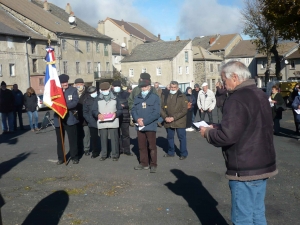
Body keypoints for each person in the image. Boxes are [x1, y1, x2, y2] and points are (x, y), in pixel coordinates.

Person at [200, 61, 277, 225]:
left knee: (242, 218)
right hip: (262, 163)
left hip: (245, 167)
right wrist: (220, 126)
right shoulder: (259, 94)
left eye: (223, 79)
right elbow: (251, 125)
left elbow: (227, 136)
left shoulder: (237, 99)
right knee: (257, 214)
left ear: (234, 77)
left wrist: (208, 132)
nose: (222, 84)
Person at [132, 74, 160, 172]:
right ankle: (144, 163)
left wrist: (145, 121)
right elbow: (133, 110)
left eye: (145, 87)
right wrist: (137, 119)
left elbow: (156, 113)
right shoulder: (137, 97)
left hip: (150, 125)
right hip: (139, 126)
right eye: (142, 87)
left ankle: (153, 164)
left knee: (152, 146)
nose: (143, 89)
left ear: (149, 87)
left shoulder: (155, 97)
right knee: (141, 146)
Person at [92, 82, 122, 161]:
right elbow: (94, 110)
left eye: (106, 89)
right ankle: (104, 155)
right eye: (103, 89)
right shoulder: (97, 98)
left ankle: (115, 155)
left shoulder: (115, 98)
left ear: (109, 89)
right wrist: (98, 114)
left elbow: (120, 109)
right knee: (103, 139)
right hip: (102, 122)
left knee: (114, 139)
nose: (105, 90)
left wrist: (116, 114)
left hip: (113, 121)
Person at [54, 74, 80, 165]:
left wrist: (63, 107)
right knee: (60, 140)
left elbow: (75, 102)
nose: (65, 84)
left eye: (66, 82)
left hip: (70, 118)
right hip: (58, 118)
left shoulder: (73, 90)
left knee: (72, 139)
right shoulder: (55, 91)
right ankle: (61, 158)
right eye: (63, 83)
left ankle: (74, 157)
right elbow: (52, 103)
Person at [161, 81, 188, 160]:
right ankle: (170, 152)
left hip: (179, 121)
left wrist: (173, 118)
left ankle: (183, 153)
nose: (172, 89)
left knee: (181, 137)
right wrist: (165, 117)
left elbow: (184, 110)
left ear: (177, 88)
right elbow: (160, 108)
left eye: (174, 87)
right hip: (168, 120)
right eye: (171, 87)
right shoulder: (165, 95)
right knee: (170, 137)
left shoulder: (182, 96)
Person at [112, 80, 132, 156]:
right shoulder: (111, 94)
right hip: (115, 116)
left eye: (118, 86)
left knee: (125, 134)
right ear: (113, 87)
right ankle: (119, 149)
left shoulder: (126, 94)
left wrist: (124, 105)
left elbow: (130, 103)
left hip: (125, 116)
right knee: (116, 134)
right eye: (115, 86)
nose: (117, 87)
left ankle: (126, 150)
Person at [83, 86, 100, 158]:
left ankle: (105, 150)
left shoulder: (100, 98)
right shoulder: (86, 100)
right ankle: (95, 152)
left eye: (94, 92)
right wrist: (89, 120)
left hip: (102, 120)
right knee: (94, 138)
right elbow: (85, 112)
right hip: (92, 121)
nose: (93, 93)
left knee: (104, 136)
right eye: (91, 92)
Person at [74, 78, 90, 156]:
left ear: (83, 84)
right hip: (76, 117)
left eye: (80, 84)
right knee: (78, 134)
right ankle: (79, 148)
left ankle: (86, 148)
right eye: (77, 84)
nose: (79, 86)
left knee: (86, 134)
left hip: (85, 117)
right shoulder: (73, 92)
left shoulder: (87, 92)